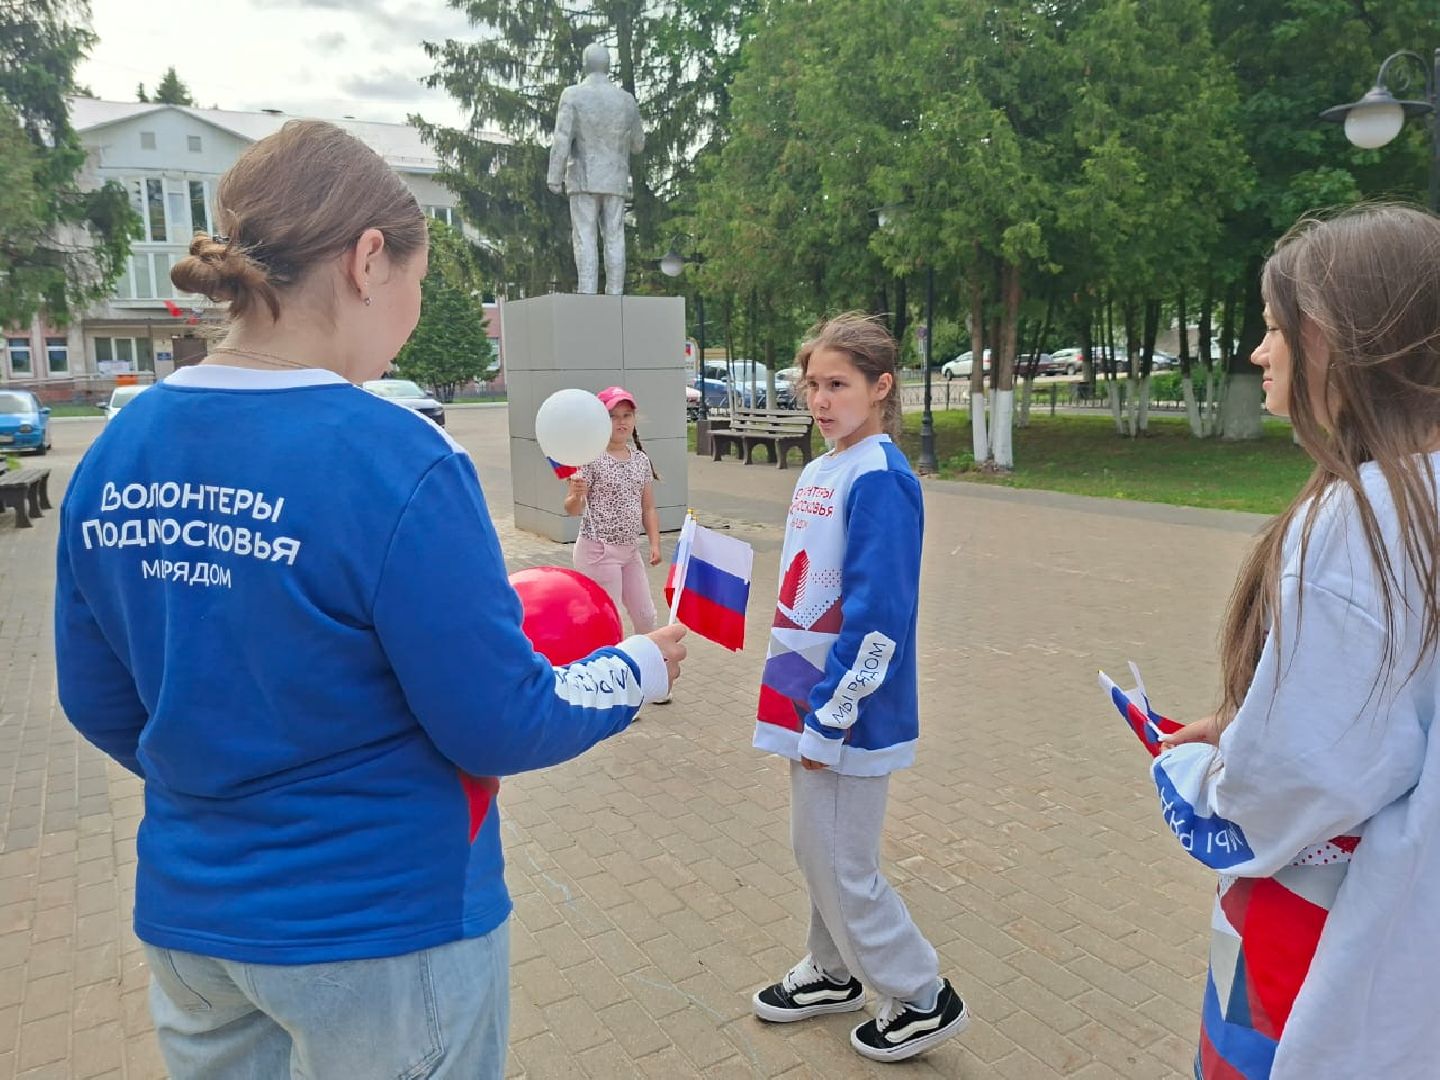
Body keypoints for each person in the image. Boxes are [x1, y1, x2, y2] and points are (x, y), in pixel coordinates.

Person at [52, 119, 686, 1080]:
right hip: (382, 929)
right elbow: (498, 722)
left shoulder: (116, 453)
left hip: (195, 923)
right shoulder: (399, 459)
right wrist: (634, 668)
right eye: (417, 283)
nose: (412, 315)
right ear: (367, 259)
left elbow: (98, 700)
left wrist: (225, 780)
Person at [1154, 205, 1440, 1079]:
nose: (1258, 352)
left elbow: (1300, 778)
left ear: (1329, 338)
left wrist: (1201, 777)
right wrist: (1246, 722)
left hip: (1322, 942)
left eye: (1274, 328)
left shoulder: (1362, 521)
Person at [749, 314, 969, 1062]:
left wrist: (832, 715)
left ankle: (921, 994)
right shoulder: (825, 467)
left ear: (881, 387)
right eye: (811, 384)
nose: (820, 399)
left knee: (842, 862)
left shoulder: (881, 478)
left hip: (848, 711)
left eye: (837, 384)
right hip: (804, 692)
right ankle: (833, 970)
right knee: (817, 848)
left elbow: (880, 617)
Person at [562, 385, 665, 644]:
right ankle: (607, 666)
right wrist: (576, 495)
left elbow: (648, 507)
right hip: (598, 552)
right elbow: (572, 509)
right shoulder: (590, 458)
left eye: (626, 415)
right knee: (610, 620)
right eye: (612, 416)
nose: (621, 422)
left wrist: (655, 543)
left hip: (630, 551)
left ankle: (645, 663)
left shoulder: (640, 460)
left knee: (646, 617)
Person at [546, 43, 644, 294]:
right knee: (615, 235)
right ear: (608, 66)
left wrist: (555, 176)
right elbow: (638, 145)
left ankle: (587, 293)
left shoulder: (572, 95)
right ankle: (615, 294)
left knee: (585, 235)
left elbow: (562, 137)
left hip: (584, 177)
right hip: (615, 179)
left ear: (584, 64)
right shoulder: (626, 100)